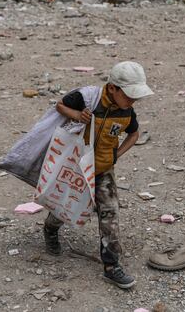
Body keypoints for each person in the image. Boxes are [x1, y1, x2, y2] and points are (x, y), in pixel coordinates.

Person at [43, 61, 153, 289]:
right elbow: (59, 106)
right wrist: (76, 114)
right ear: (112, 88)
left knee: (110, 212)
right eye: (129, 96)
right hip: (76, 166)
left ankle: (111, 266)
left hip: (103, 169)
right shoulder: (87, 99)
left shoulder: (127, 112)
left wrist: (115, 156)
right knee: (67, 204)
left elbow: (134, 135)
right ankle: (50, 228)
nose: (132, 101)